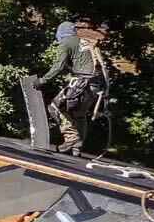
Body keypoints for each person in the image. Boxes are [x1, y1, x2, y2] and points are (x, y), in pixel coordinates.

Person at [40, 21, 105, 156]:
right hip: (95, 86)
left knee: (55, 106)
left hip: (81, 84)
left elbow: (58, 66)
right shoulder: (85, 42)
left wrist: (43, 80)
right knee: (79, 115)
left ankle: (71, 138)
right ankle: (77, 147)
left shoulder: (66, 43)